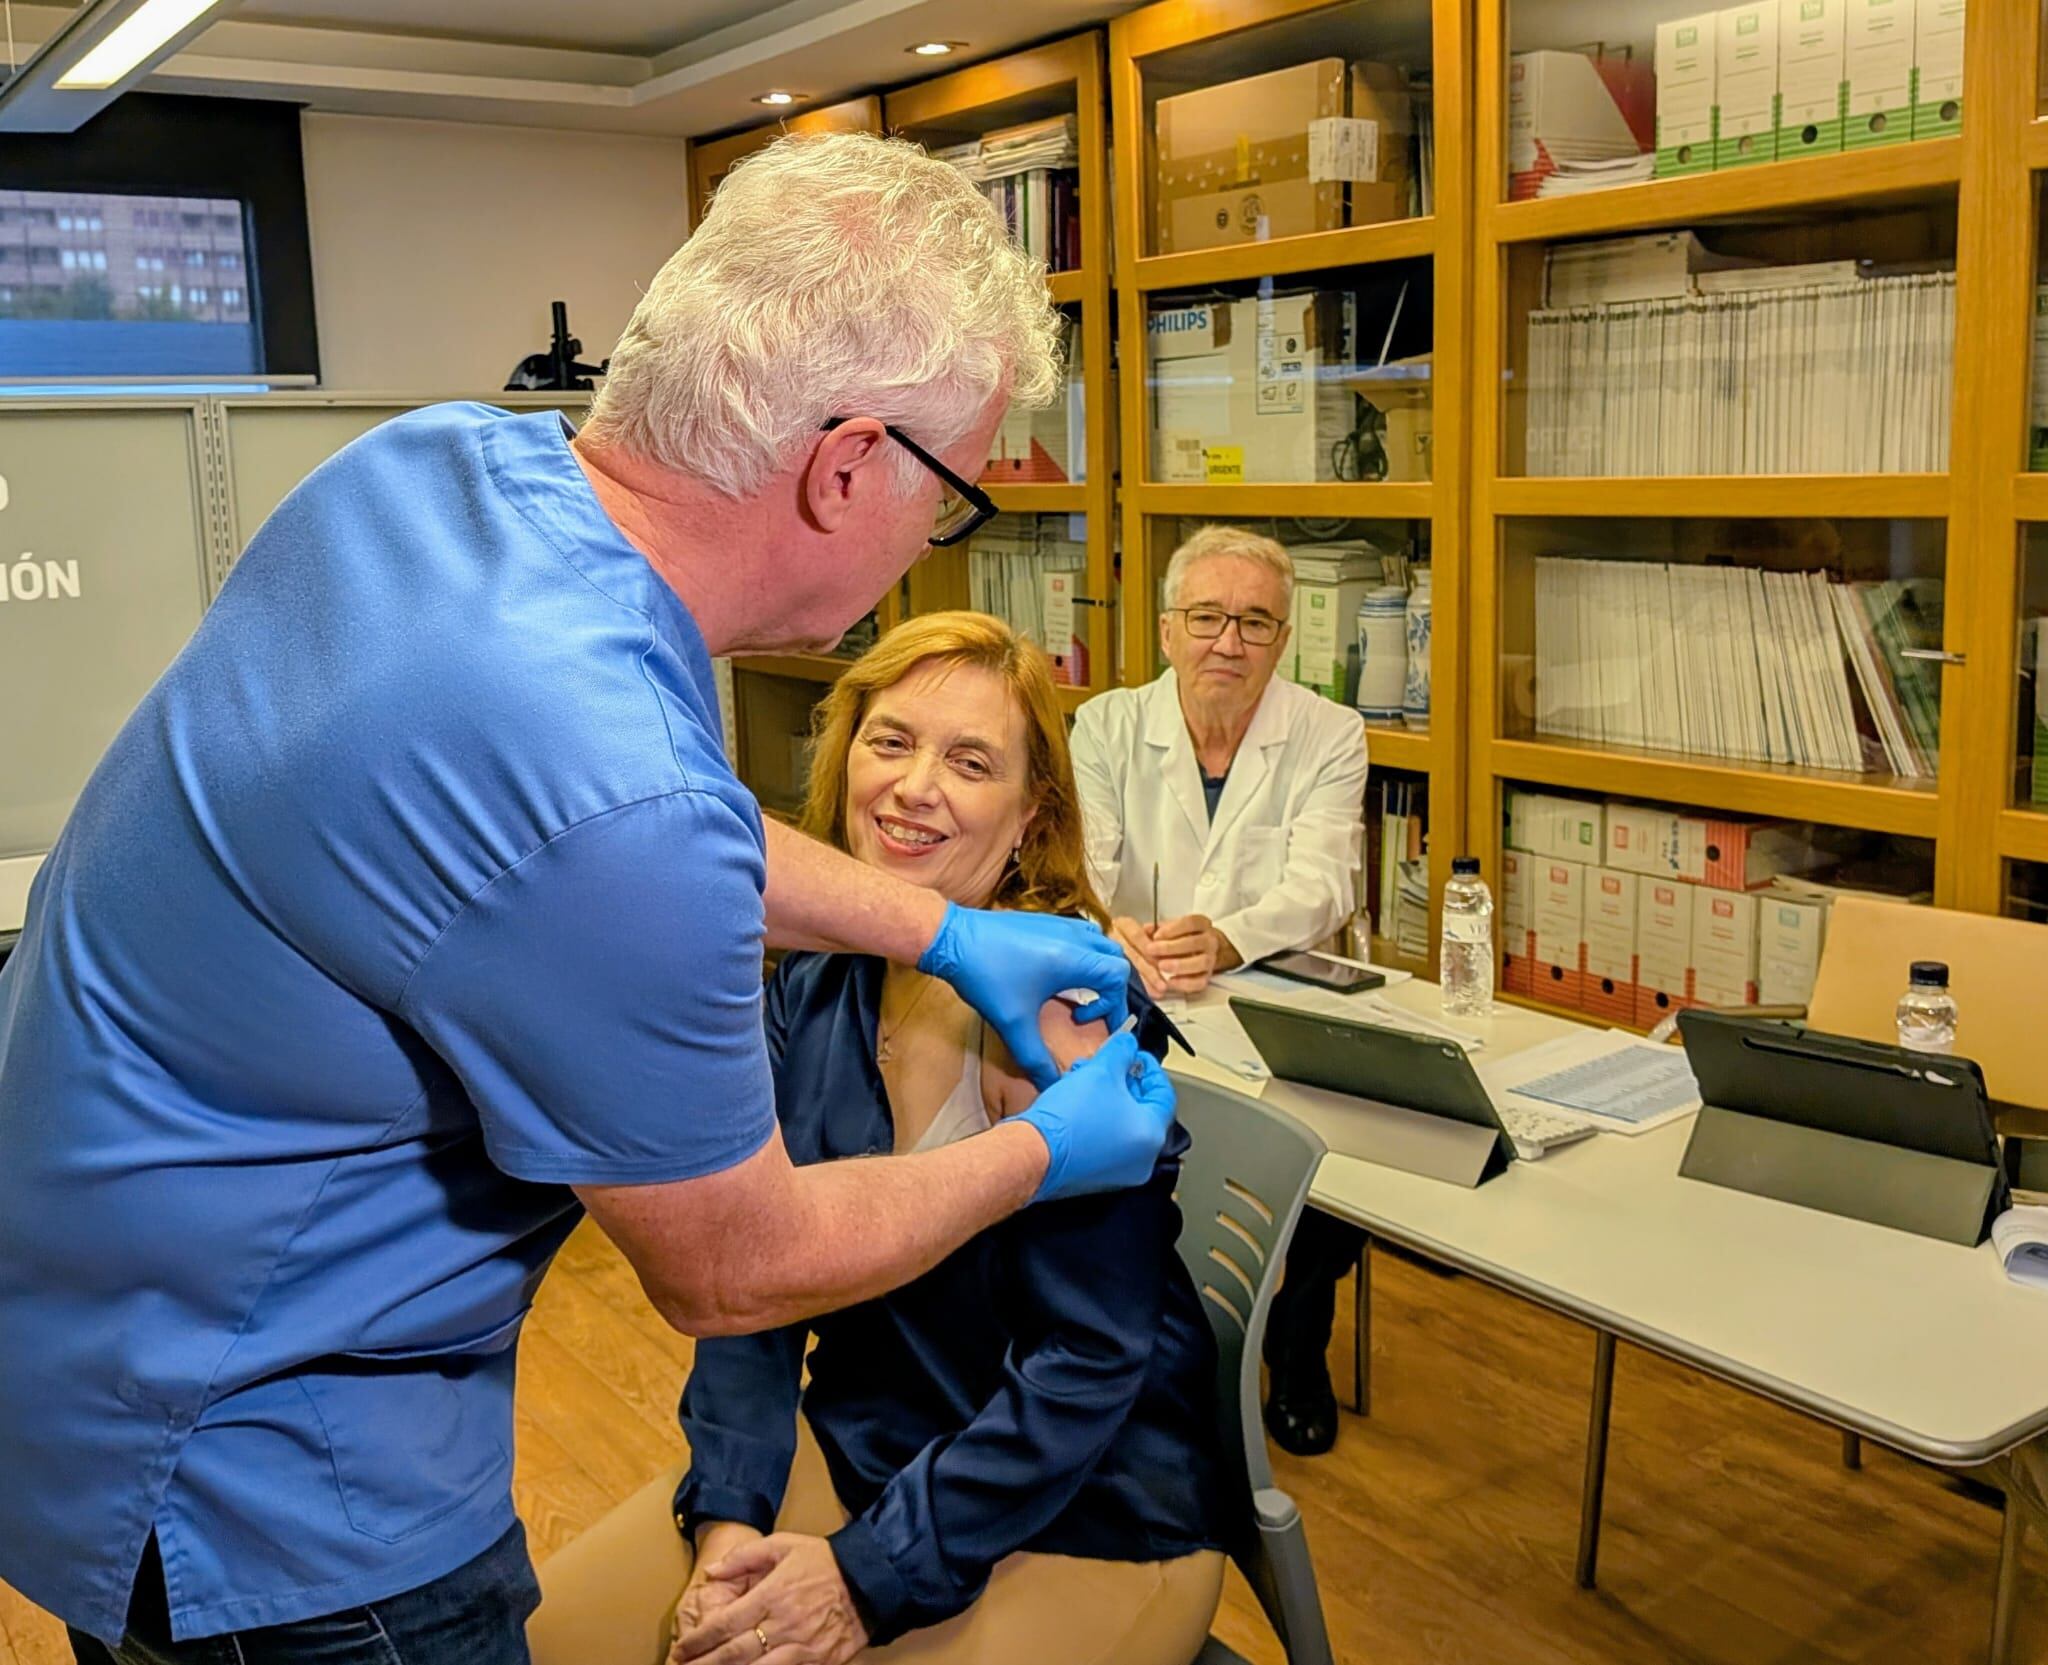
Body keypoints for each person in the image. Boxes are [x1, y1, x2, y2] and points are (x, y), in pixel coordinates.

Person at [0, 133, 1172, 1665]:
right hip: (267, 1488)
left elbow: (583, 826)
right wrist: (1042, 1149)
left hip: (83, 1352)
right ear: (845, 466)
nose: (927, 547)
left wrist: (939, 929)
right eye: (946, 498)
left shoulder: (429, 471)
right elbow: (729, 1265)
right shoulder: (612, 790)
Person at [527, 613, 1226, 1665]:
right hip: (870, 1440)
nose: (912, 786)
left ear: (1032, 811)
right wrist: (727, 1516)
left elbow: (1088, 1365)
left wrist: (864, 1578)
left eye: (970, 761)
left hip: (1083, 1508)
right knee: (544, 1642)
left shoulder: (1065, 1014)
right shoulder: (808, 989)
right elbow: (748, 1287)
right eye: (889, 741)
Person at [1068, 523, 1369, 1458]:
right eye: (1207, 617)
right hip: (1135, 994)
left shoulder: (1330, 731)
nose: (1227, 643)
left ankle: (1299, 1337)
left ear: (1284, 640)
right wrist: (1111, 933)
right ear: (1167, 629)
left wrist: (1231, 938)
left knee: (1334, 1157)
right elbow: (1080, 863)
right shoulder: (1108, 725)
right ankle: (1148, 1344)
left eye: (1254, 622)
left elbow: (1327, 881)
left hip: (1273, 991)